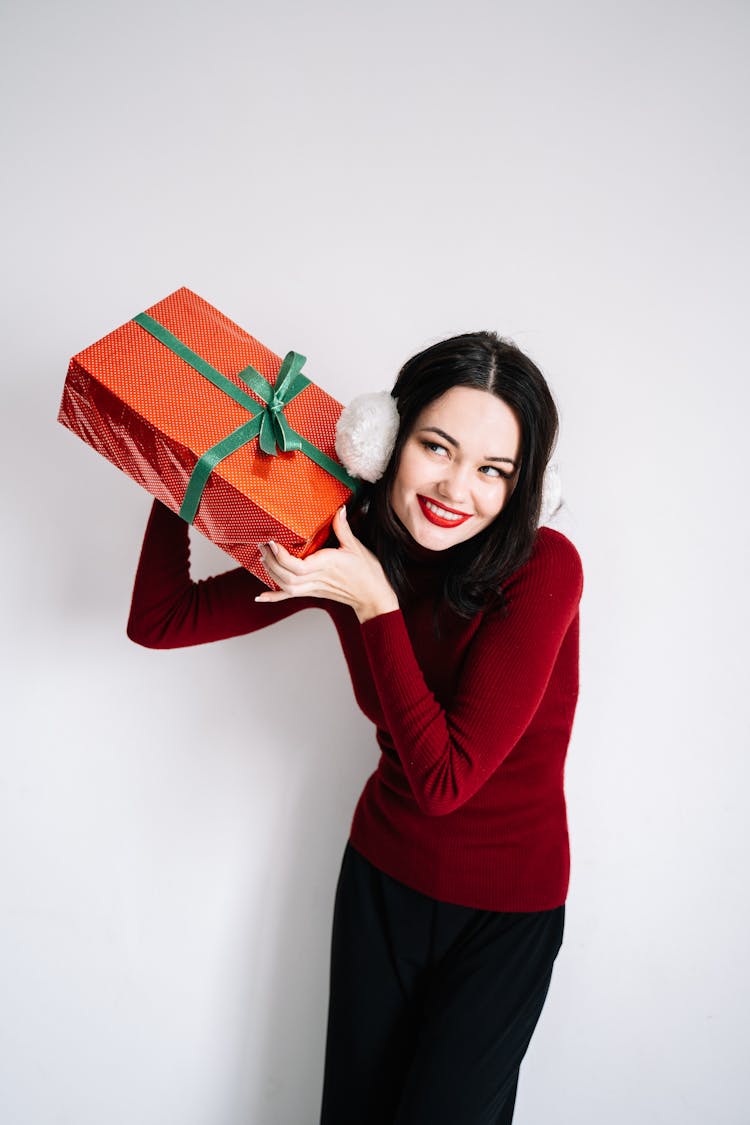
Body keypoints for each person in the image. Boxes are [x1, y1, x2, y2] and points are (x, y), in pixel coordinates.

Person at [126, 330, 584, 1125]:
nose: (455, 487)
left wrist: (375, 602)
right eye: (436, 447)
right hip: (382, 881)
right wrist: (182, 467)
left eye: (492, 470)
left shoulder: (544, 567)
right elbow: (162, 619)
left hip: (504, 915)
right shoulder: (350, 545)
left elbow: (446, 780)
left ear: (521, 487)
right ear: (384, 440)